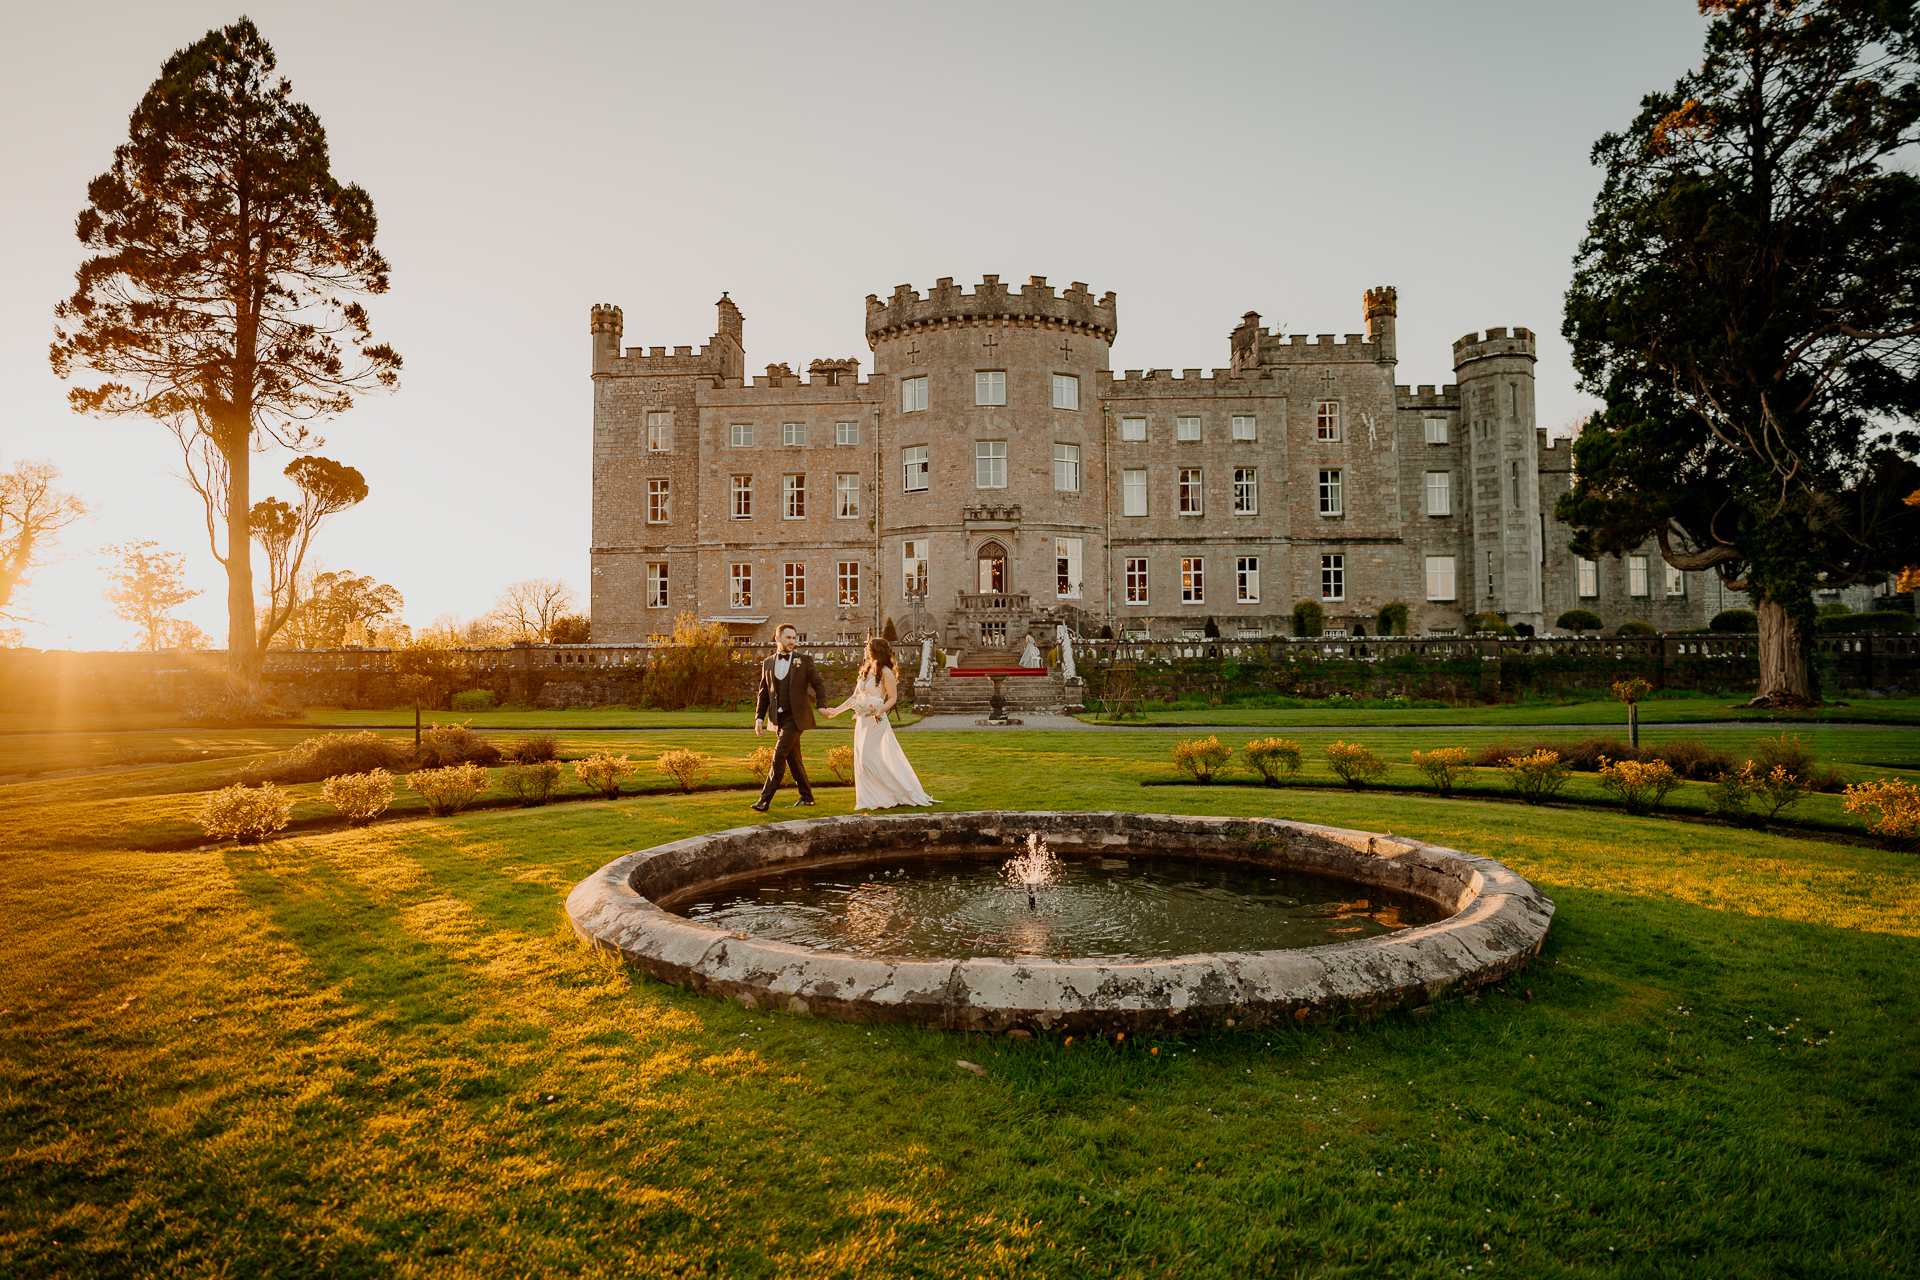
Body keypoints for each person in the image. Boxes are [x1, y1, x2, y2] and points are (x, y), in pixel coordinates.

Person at [824, 636, 936, 810]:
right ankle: (873, 798)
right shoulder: (865, 670)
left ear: (878, 651)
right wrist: (836, 711)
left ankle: (900, 790)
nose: (866, 651)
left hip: (877, 720)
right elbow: (855, 697)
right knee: (861, 759)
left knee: (868, 758)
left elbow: (892, 698)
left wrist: (878, 710)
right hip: (862, 720)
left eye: (869, 648)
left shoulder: (886, 672)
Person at [751, 623, 829, 812]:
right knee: (794, 759)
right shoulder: (768, 662)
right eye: (789, 638)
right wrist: (759, 719)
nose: (793, 641)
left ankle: (764, 800)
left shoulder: (804, 660)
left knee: (778, 755)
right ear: (778, 639)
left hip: (797, 718)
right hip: (778, 719)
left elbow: (819, 684)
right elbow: (763, 693)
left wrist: (821, 707)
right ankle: (807, 797)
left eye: (795, 638)